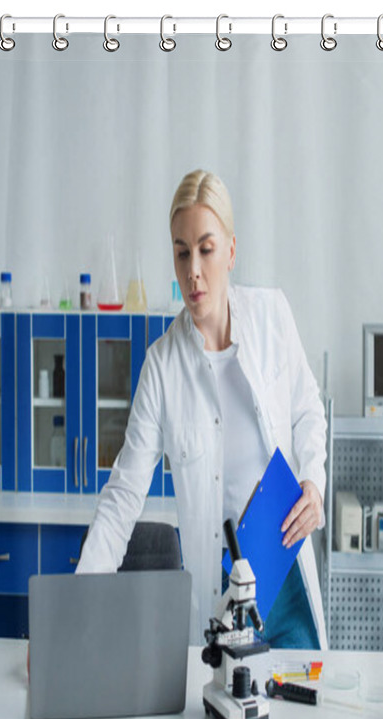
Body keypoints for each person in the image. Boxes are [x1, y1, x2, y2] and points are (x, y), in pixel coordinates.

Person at [77, 169, 328, 650]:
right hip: (223, 594)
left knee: (303, 718)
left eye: (206, 249)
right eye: (181, 251)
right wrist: (77, 608)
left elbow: (307, 411)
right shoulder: (162, 367)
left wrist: (313, 482)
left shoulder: (273, 316)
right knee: (226, 714)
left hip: (285, 568)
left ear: (231, 251)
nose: (193, 269)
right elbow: (122, 496)